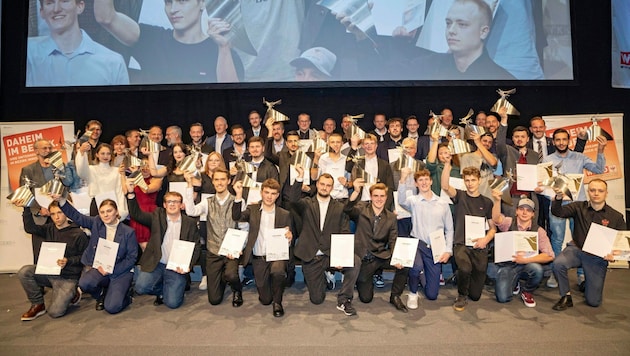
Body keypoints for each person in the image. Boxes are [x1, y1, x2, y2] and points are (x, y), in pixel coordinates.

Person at [93, 0, 243, 84]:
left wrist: (224, 48)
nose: (173, 9)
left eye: (182, 1)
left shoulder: (220, 50)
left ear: (202, 3)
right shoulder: (151, 39)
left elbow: (230, 92)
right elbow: (105, 17)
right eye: (168, 2)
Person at [541, 129, 607, 288]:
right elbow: (543, 185)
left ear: (569, 141)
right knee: (557, 239)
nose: (561, 142)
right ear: (553, 142)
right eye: (558, 140)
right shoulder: (547, 160)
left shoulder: (579, 157)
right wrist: (551, 195)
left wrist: (600, 150)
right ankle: (556, 274)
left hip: (579, 206)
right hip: (558, 205)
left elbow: (598, 169)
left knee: (581, 239)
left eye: (564, 139)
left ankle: (582, 274)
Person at [289, 169, 359, 315]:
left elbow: (344, 232)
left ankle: (344, 299)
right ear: (317, 185)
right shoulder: (306, 203)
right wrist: (300, 178)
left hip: (330, 254)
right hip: (311, 256)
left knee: (355, 261)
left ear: (331, 188)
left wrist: (341, 256)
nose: (324, 187)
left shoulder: (339, 207)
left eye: (328, 185)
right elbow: (293, 200)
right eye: (322, 184)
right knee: (317, 299)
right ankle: (325, 278)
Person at [550, 179, 626, 310]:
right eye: (592, 190)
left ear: (606, 193)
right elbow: (558, 212)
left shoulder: (616, 216)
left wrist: (614, 254)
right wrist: (558, 198)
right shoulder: (578, 206)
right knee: (558, 263)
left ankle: (587, 284)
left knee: (593, 302)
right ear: (588, 192)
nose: (596, 193)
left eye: (600, 191)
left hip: (597, 258)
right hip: (577, 251)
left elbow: (622, 241)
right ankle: (566, 296)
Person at [55, 197, 137, 314]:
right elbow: (77, 216)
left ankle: (126, 296)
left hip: (120, 271)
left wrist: (112, 270)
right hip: (100, 267)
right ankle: (101, 295)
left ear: (117, 212)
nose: (106, 215)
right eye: (102, 212)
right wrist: (62, 201)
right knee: (84, 283)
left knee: (112, 308)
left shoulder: (128, 232)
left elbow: (131, 258)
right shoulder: (97, 223)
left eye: (109, 211)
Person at [126, 188, 201, 309]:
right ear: (164, 205)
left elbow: (196, 247)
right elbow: (136, 214)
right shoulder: (156, 218)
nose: (172, 204)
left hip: (176, 267)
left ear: (181, 205)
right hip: (158, 263)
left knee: (173, 303)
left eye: (176, 201)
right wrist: (130, 194)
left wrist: (188, 265)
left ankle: (173, 287)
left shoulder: (189, 223)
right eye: (169, 201)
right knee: (141, 287)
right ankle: (162, 289)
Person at [27, 0, 129, 86]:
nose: (56, 9)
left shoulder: (113, 63)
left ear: (80, 6)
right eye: (50, 3)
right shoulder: (28, 55)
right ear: (42, 12)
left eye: (65, 1)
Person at [16, 201, 89, 320]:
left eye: (60, 212)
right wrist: (26, 208)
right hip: (49, 273)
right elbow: (30, 228)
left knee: (55, 312)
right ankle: (38, 304)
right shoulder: (49, 228)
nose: (56, 217)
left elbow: (85, 258)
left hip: (68, 278)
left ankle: (74, 293)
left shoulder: (78, 233)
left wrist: (68, 261)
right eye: (53, 214)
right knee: (25, 272)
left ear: (66, 213)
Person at [344, 182, 409, 313]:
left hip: (380, 255)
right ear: (371, 196)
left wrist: (397, 257)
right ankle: (366, 279)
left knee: (405, 263)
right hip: (364, 257)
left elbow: (393, 239)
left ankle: (395, 296)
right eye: (376, 196)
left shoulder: (391, 217)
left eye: (382, 196)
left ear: (386, 197)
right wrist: (355, 192)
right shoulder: (361, 208)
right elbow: (348, 209)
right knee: (366, 298)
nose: (379, 199)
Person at [232, 178, 293, 317]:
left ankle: (278, 302)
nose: (269, 196)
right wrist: (238, 195)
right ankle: (271, 291)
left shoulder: (284, 214)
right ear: (261, 193)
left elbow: (289, 235)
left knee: (278, 271)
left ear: (277, 195)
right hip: (259, 257)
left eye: (273, 193)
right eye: (267, 192)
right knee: (265, 300)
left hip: (277, 256)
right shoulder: (252, 209)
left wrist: (289, 237)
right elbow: (236, 216)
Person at [183, 168, 243, 306]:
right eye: (216, 179)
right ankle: (221, 276)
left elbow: (244, 227)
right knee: (214, 300)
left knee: (232, 275)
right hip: (214, 251)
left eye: (223, 179)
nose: (219, 182)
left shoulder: (237, 201)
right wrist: (189, 185)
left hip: (231, 251)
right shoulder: (207, 202)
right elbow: (191, 211)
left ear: (228, 181)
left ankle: (237, 290)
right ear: (212, 181)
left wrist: (240, 247)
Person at [442, 163, 496, 311]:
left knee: (476, 295)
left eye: (473, 180)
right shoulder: (460, 196)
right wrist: (447, 164)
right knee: (465, 268)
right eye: (467, 180)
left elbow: (493, 228)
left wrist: (485, 239)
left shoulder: (487, 202)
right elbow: (445, 186)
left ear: (479, 180)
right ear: (464, 181)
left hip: (479, 246)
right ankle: (461, 295)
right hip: (461, 244)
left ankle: (467, 285)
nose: (470, 183)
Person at [397, 168, 453, 309]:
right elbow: (401, 200)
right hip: (417, 243)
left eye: (426, 179)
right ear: (416, 184)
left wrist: (448, 250)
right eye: (420, 180)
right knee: (416, 266)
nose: (424, 182)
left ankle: (421, 274)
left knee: (432, 294)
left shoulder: (443, 203)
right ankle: (413, 292)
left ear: (431, 181)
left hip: (436, 247)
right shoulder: (414, 201)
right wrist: (403, 179)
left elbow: (449, 229)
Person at [419, 0, 515, 80]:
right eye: (448, 23)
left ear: (483, 32)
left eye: (462, 24)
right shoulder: (429, 66)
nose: (451, 30)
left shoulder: (502, 79)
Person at [491, 192, 554, 308]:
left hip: (526, 265)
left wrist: (526, 260)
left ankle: (527, 291)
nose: (524, 212)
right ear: (516, 211)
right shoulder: (509, 222)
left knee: (537, 270)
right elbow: (496, 219)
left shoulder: (539, 231)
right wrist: (497, 201)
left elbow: (549, 255)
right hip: (508, 265)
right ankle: (514, 283)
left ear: (533, 214)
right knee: (502, 298)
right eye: (521, 209)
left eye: (528, 210)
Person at [20, 139, 74, 262]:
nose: (48, 150)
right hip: (40, 218)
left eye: (50, 148)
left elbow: (67, 186)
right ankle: (41, 279)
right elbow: (24, 194)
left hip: (60, 214)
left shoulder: (59, 166)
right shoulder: (28, 170)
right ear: (36, 151)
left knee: (61, 251)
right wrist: (39, 209)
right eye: (44, 148)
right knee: (41, 255)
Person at [75, 142, 128, 219]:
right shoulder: (91, 170)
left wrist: (122, 211)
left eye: (108, 153)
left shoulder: (117, 171)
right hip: (96, 206)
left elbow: (120, 192)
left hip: (112, 206)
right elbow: (81, 171)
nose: (105, 156)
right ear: (97, 155)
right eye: (102, 153)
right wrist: (82, 152)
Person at [123, 158, 162, 251]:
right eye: (142, 166)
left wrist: (137, 176)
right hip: (136, 212)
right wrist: (122, 174)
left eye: (147, 165)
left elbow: (147, 189)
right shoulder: (134, 179)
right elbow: (125, 191)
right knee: (141, 245)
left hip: (150, 213)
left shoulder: (156, 179)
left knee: (152, 244)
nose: (145, 168)